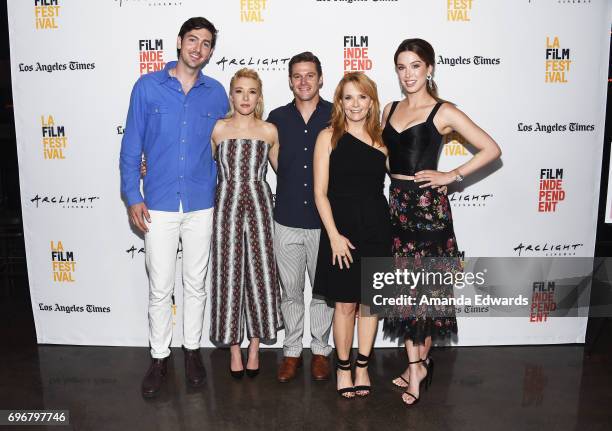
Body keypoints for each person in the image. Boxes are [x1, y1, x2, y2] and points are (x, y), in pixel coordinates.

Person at [381, 38, 501, 405]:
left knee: (427, 295)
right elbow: (386, 158)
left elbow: (491, 148)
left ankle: (417, 369)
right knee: (404, 292)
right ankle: (416, 364)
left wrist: (453, 174)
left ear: (429, 68)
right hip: (397, 206)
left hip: (429, 212)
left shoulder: (443, 111)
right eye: (402, 67)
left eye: (415, 65)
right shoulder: (388, 108)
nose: (408, 74)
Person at [119, 17, 229, 398]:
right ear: (179, 42)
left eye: (206, 43)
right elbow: (132, 145)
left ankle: (192, 351)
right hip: (159, 203)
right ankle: (159, 356)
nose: (198, 48)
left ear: (212, 51)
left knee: (196, 284)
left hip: (201, 202)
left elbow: (228, 144)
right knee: (160, 287)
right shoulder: (147, 87)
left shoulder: (217, 94)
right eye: (193, 40)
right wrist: (133, 194)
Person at [312, 72, 390, 398]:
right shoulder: (328, 137)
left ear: (371, 101)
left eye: (362, 97)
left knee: (370, 305)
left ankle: (362, 366)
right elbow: (320, 193)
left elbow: (405, 178)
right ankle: (343, 368)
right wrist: (333, 236)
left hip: (377, 229)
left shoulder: (383, 141)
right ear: (339, 102)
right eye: (348, 97)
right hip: (341, 232)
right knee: (344, 305)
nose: (355, 104)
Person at [209, 68, 282, 379]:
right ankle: (234, 348)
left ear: (259, 96)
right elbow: (203, 166)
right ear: (231, 94)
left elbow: (286, 172)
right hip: (226, 202)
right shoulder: (218, 129)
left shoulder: (269, 131)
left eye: (251, 91)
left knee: (261, 273)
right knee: (228, 273)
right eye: (239, 91)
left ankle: (254, 346)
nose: (245, 97)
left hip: (260, 202)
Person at [267, 52, 335, 383]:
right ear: (290, 80)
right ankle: (292, 351)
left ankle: (320, 350)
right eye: (297, 76)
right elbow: (277, 162)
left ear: (321, 79)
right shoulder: (276, 117)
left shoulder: (337, 114)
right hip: (287, 218)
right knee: (291, 291)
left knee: (322, 292)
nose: (304, 81)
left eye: (310, 75)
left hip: (326, 222)